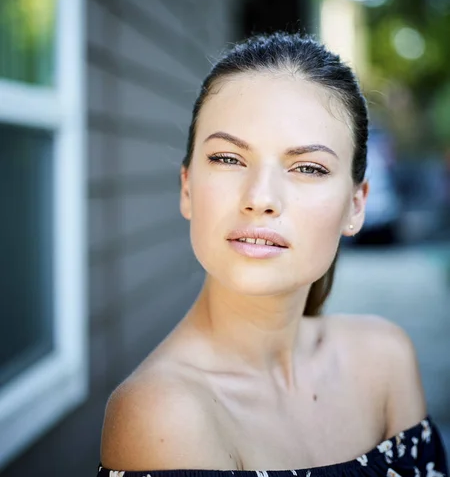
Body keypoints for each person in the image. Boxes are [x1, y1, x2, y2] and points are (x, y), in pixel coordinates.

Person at [98, 33, 448, 476]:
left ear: (355, 205)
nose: (260, 197)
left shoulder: (386, 358)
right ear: (187, 187)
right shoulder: (160, 416)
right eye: (228, 158)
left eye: (307, 168)